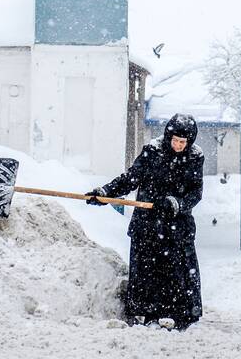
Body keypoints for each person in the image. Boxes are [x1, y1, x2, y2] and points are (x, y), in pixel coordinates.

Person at [87, 113, 204, 330]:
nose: (178, 145)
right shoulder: (153, 151)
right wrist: (105, 193)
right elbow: (131, 178)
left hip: (176, 226)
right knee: (148, 272)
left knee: (177, 273)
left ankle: (181, 317)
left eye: (183, 142)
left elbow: (195, 192)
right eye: (175, 141)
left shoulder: (194, 157)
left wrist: (176, 203)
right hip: (148, 225)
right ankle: (149, 315)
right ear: (169, 137)